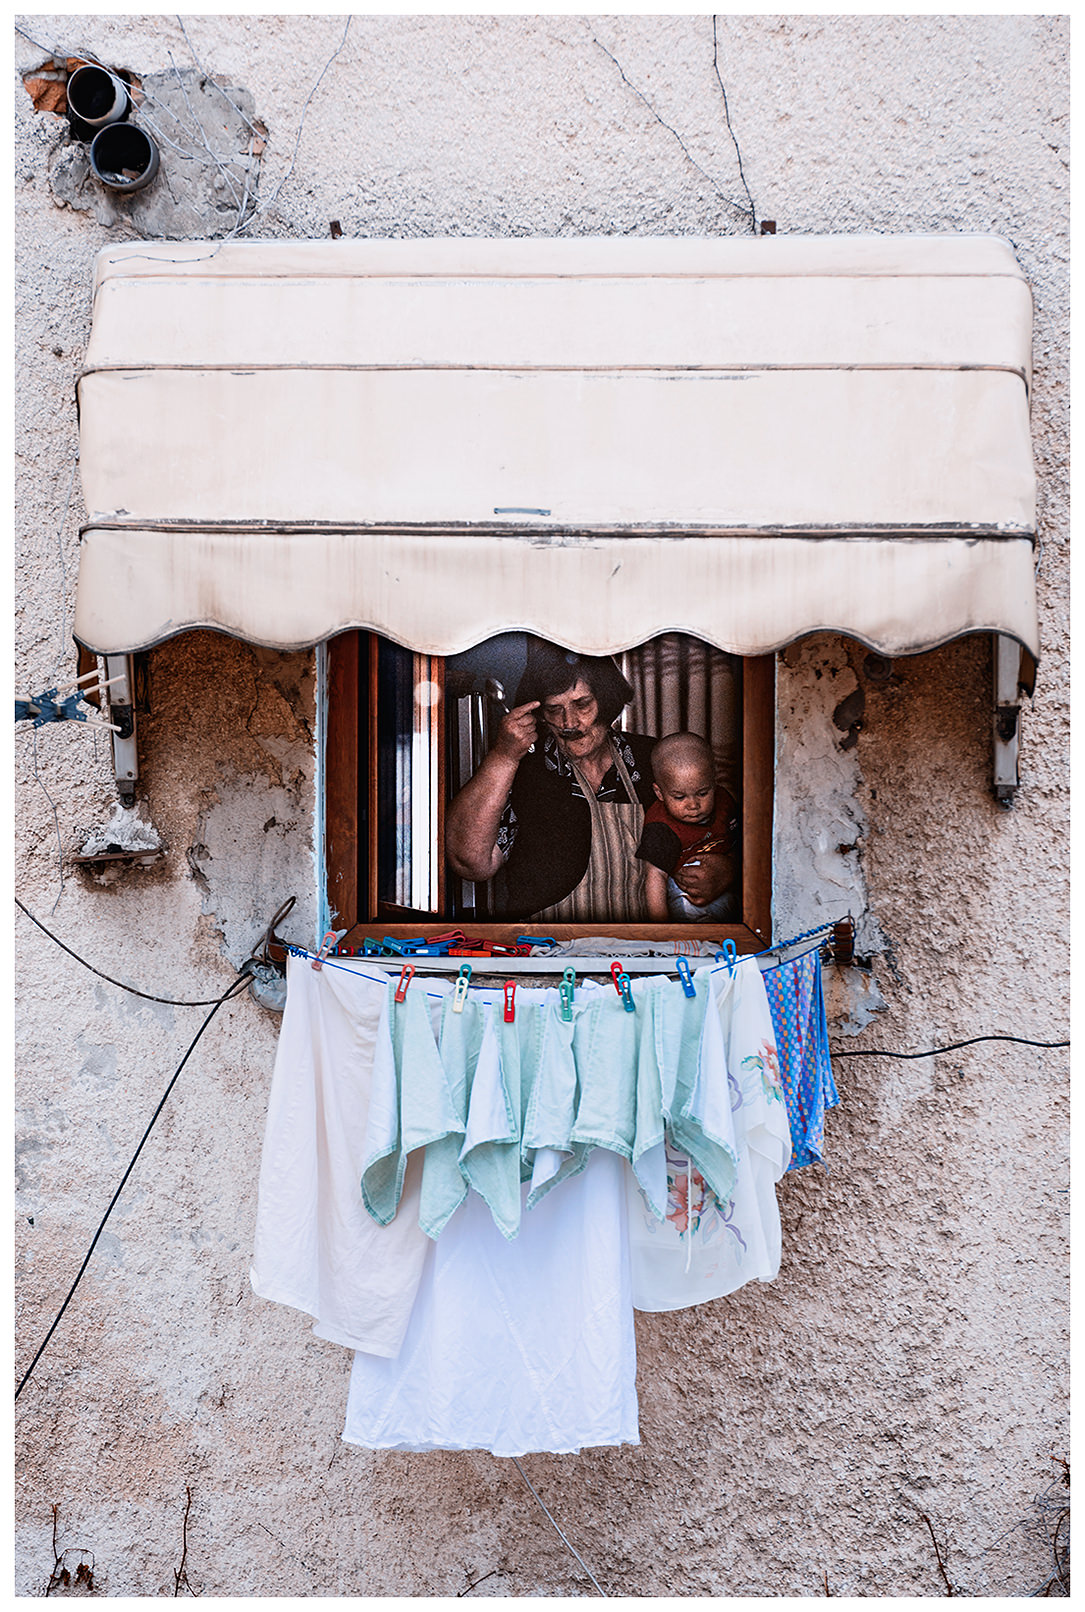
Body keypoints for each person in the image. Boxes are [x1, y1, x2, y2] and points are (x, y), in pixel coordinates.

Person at [445, 642, 732, 923]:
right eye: (554, 709)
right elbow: (470, 863)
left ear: (606, 700)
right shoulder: (524, 770)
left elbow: (723, 829)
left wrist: (727, 869)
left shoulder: (653, 762)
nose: (569, 723)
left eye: (582, 704)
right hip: (549, 952)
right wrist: (503, 757)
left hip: (642, 953)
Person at [635, 732, 739, 923]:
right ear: (659, 793)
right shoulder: (661, 827)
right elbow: (655, 878)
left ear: (714, 783)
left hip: (725, 887)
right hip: (684, 895)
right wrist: (663, 930)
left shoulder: (725, 802)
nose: (693, 805)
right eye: (679, 797)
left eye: (702, 793)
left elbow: (738, 844)